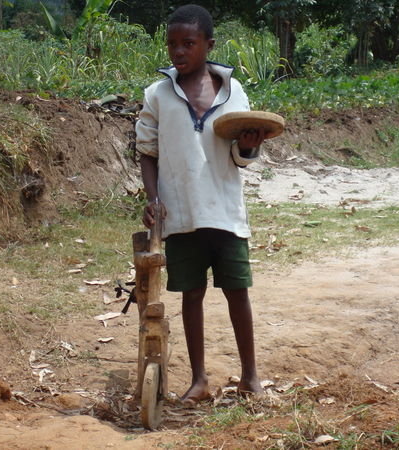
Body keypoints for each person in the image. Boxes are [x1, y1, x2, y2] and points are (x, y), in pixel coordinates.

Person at [135, 4, 264, 406]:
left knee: (237, 292)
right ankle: (199, 379)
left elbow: (241, 156)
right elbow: (148, 151)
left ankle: (250, 376)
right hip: (181, 214)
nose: (178, 51)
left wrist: (247, 148)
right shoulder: (157, 95)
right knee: (191, 295)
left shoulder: (233, 92)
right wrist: (154, 199)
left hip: (224, 211)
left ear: (208, 44)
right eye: (172, 44)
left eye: (188, 43)